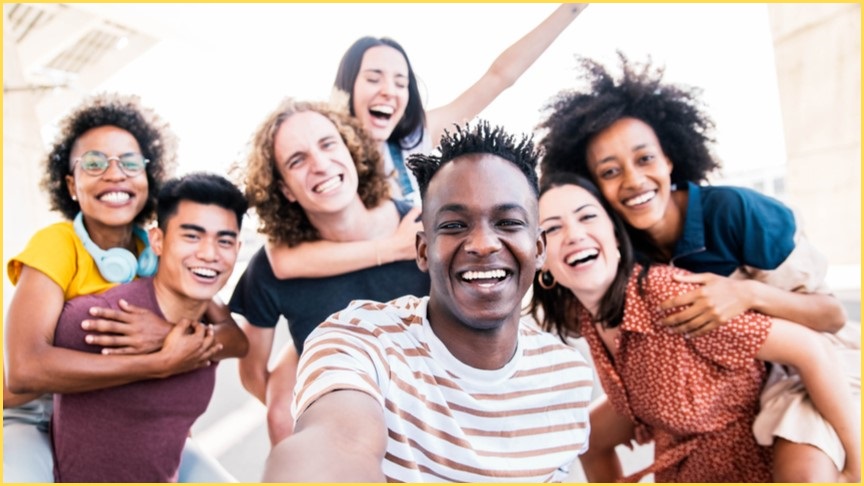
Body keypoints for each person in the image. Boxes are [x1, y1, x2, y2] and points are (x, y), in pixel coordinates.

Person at [536, 54, 860, 481]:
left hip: (807, 362)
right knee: (590, 433)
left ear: (670, 159)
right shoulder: (621, 254)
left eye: (645, 159)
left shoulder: (733, 211)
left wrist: (748, 294)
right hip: (728, 374)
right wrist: (640, 404)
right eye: (610, 172)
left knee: (804, 470)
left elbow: (830, 318)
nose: (633, 181)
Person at [261, 120, 593, 482]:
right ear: (422, 250)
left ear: (540, 248)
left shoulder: (568, 377)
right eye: (453, 226)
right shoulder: (359, 340)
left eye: (508, 222)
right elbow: (336, 444)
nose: (483, 244)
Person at [3, 93, 244, 483]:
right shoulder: (57, 243)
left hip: (118, 414)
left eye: (130, 163)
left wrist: (167, 335)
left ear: (149, 178)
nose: (114, 174)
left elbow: (234, 338)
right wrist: (158, 363)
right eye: (94, 163)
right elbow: (24, 371)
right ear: (71, 185)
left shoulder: (157, 251)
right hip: (34, 414)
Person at [265, 3, 589, 281]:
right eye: (374, 78)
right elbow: (282, 259)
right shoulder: (323, 162)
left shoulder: (415, 139)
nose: (388, 90)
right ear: (347, 87)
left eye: (400, 81)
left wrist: (571, 8)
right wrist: (391, 248)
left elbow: (498, 78)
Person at [228, 98, 430, 445]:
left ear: (350, 149)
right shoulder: (272, 267)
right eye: (297, 160)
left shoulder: (420, 228)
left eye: (327, 144)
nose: (320, 164)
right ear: (285, 190)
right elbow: (252, 372)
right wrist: (306, 412)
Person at [50, 172, 248, 482]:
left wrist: (171, 336)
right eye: (192, 236)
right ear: (158, 240)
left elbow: (239, 342)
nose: (210, 254)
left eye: (224, 240)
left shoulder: (207, 326)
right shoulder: (103, 318)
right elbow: (14, 385)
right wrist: (158, 362)